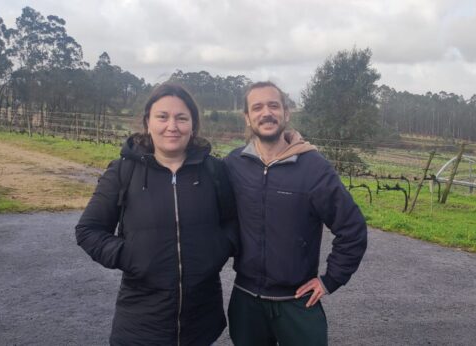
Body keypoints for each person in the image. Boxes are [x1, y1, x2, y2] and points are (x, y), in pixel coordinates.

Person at [75, 83, 237, 345]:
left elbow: (232, 222)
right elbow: (88, 231)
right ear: (147, 122)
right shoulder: (122, 171)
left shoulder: (214, 171)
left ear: (193, 125)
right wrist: (130, 255)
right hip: (140, 324)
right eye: (162, 116)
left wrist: (218, 248)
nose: (172, 126)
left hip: (201, 322)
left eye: (181, 118)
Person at [224, 81, 368, 345]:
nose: (266, 112)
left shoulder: (314, 168)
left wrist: (330, 280)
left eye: (273, 105)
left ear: (286, 113)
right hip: (246, 300)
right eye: (257, 107)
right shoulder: (233, 165)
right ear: (247, 117)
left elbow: (352, 228)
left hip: (297, 303)